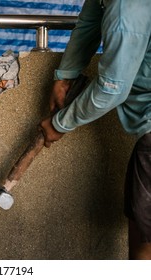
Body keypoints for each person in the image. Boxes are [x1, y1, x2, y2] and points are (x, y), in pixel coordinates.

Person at [39, 0, 151, 260]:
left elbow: (112, 89)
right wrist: (65, 75)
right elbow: (90, 21)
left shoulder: (126, 8)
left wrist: (60, 124)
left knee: (144, 247)